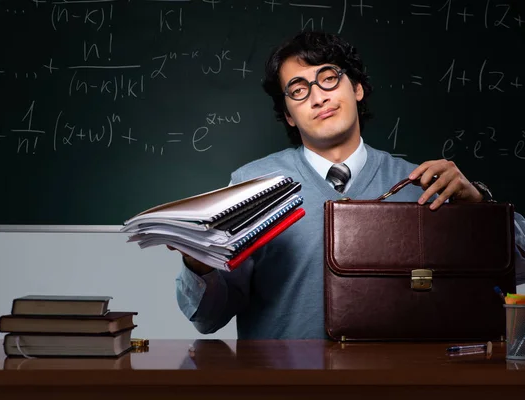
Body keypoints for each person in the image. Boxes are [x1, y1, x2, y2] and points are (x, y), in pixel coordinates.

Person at [172, 31, 525, 339]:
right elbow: (208, 319)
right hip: (285, 385)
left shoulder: (424, 184)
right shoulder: (250, 186)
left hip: (399, 384)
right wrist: (198, 264)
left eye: (328, 78)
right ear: (289, 115)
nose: (318, 97)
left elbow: (517, 272)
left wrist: (478, 207)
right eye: (298, 90)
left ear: (356, 88)